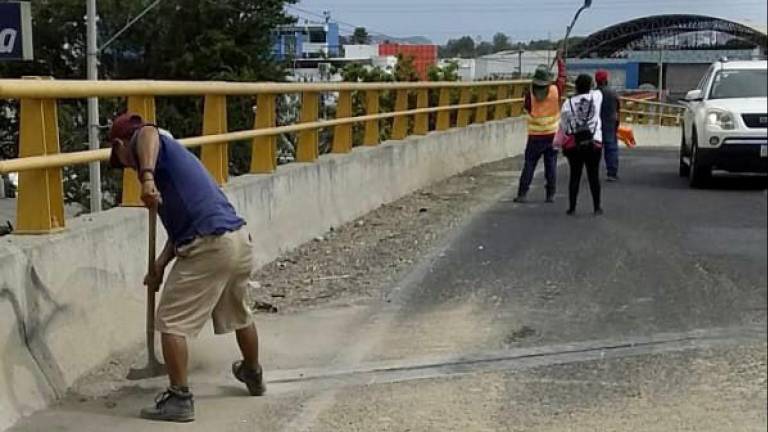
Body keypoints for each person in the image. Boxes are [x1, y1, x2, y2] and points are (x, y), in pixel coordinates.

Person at [108, 113, 265, 423]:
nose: (128, 168)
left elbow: (146, 132)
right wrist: (161, 265)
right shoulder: (174, 161)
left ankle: (179, 398)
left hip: (210, 244)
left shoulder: (149, 143)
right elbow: (183, 229)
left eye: (122, 161)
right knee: (239, 313)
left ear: (120, 144)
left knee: (170, 321)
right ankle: (252, 372)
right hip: (237, 239)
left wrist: (147, 177)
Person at [513, 52, 566, 204]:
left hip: (535, 135)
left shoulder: (529, 93)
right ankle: (550, 194)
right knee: (551, 165)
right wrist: (560, 61)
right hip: (553, 134)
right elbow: (562, 78)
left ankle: (522, 194)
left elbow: (527, 108)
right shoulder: (556, 90)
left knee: (529, 164)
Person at [560, 74, 604, 216]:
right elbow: (596, 89)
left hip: (575, 144)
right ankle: (597, 207)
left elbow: (564, 125)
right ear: (590, 86)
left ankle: (572, 208)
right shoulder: (596, 97)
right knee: (593, 176)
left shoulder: (568, 104)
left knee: (574, 176)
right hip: (594, 142)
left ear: (576, 86)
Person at [595, 70, 621, 181]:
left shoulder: (593, 93)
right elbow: (618, 107)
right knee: (611, 148)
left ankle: (593, 172)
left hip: (596, 124)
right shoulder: (613, 93)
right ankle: (612, 172)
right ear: (606, 80)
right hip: (610, 122)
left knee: (595, 149)